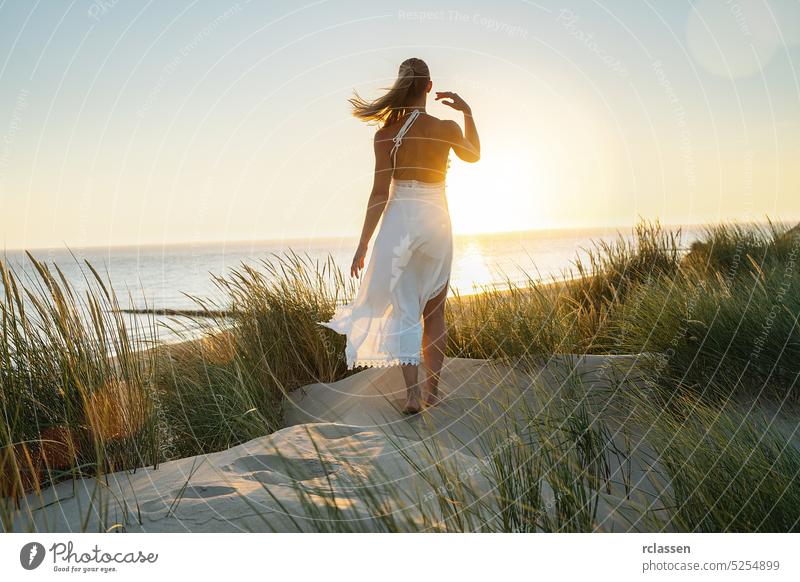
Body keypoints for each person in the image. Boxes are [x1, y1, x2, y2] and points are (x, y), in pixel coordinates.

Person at [320, 57, 480, 414]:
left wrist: (363, 243)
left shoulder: (385, 135)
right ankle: (432, 392)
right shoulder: (446, 127)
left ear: (400, 86)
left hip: (399, 221)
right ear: (428, 86)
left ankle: (411, 396)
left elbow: (379, 194)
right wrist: (467, 113)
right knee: (434, 311)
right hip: (436, 219)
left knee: (406, 309)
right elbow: (475, 155)